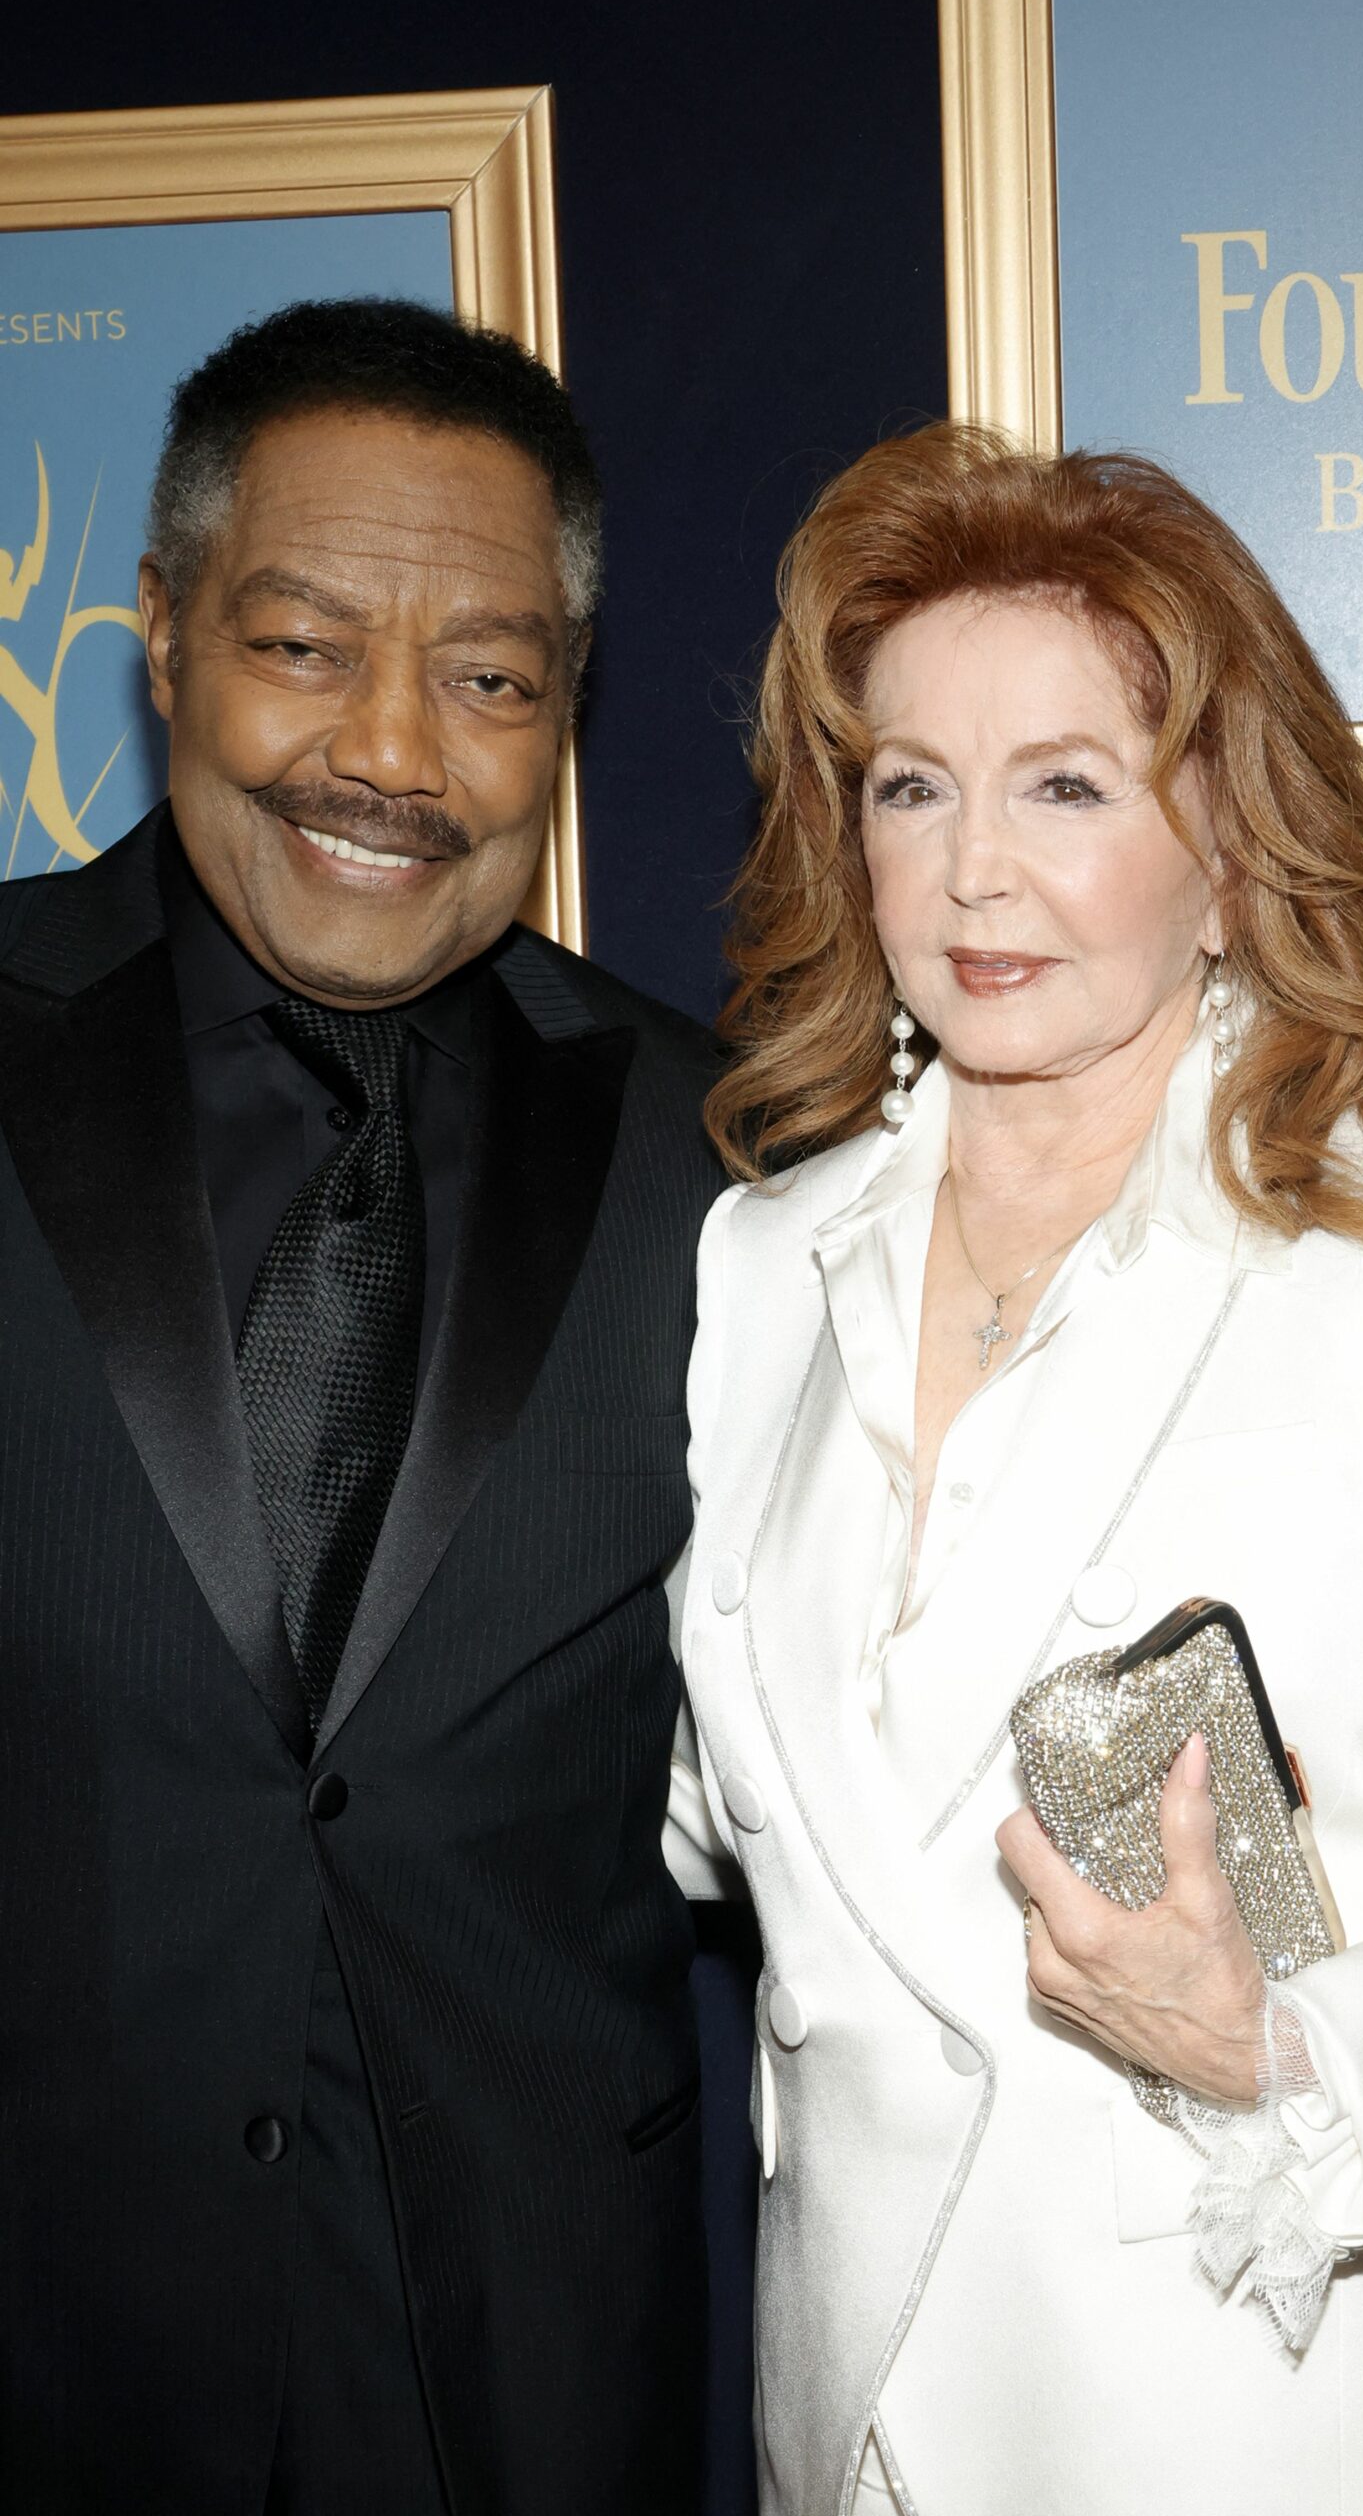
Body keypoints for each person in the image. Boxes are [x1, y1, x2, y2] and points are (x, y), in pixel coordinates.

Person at [666, 421, 1363, 2515]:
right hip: (849, 2436)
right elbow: (734, 1815)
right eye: (912, 785)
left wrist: (1290, 2044)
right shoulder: (762, 1265)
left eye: (1065, 785)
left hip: (1255, 2414)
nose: (973, 869)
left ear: (1230, 846)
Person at [0, 299, 718, 2515]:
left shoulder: (727, 1155)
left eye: (489, 679)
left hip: (527, 2366)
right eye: (307, 647)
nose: (392, 751)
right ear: (162, 636)